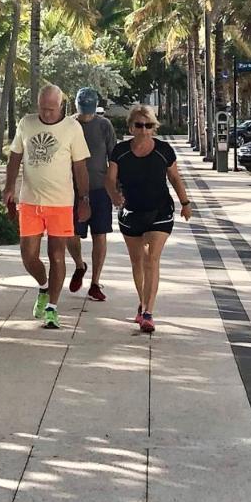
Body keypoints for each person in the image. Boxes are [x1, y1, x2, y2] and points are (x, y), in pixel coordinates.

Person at [3, 84, 92, 329]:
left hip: (61, 203)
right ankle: (43, 286)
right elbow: (15, 157)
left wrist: (84, 199)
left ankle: (52, 307)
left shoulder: (72, 128)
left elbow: (80, 167)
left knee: (57, 255)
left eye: (52, 109)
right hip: (30, 200)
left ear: (61, 106)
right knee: (28, 255)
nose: (47, 114)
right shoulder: (26, 123)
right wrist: (9, 187)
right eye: (43, 108)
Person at [105, 104, 192, 334]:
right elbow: (109, 179)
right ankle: (142, 302)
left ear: (155, 127)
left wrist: (185, 203)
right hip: (131, 213)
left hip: (160, 212)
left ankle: (148, 313)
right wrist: (114, 195)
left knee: (151, 259)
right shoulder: (120, 151)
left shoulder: (164, 150)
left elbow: (174, 178)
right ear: (131, 127)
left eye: (149, 125)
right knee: (138, 261)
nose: (144, 130)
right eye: (139, 125)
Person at [66, 87, 117, 302]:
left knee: (100, 235)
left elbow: (114, 158)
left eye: (89, 110)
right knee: (71, 234)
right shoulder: (68, 125)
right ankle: (79, 265)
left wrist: (116, 189)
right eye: (83, 110)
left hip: (100, 189)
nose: (86, 115)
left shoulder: (104, 126)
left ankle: (95, 282)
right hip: (73, 190)